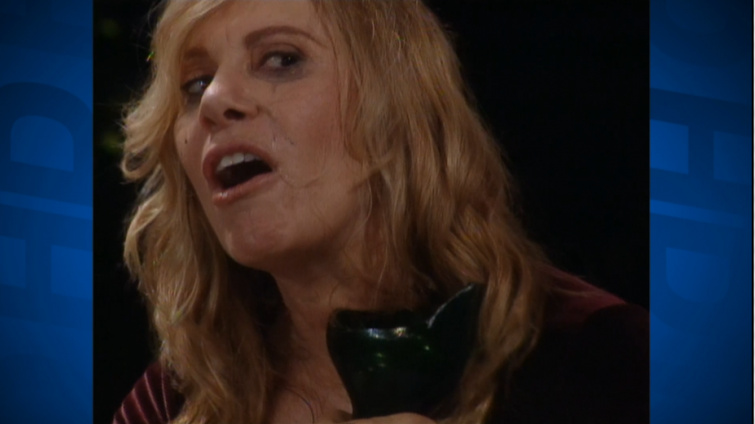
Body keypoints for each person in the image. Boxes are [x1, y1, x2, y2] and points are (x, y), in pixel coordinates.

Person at [113, 1, 649, 423]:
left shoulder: (603, 361)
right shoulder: (174, 399)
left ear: (396, 105)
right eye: (195, 84)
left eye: (281, 59)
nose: (214, 100)